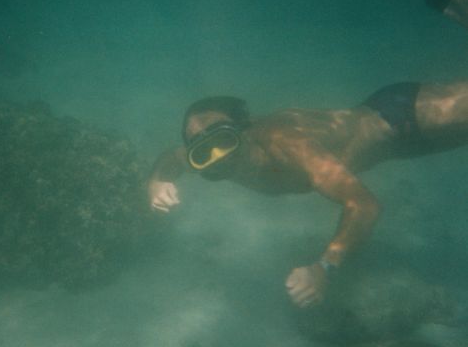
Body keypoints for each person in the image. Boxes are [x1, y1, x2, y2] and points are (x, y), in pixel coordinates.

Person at [147, 81, 468, 308]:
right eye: (204, 151)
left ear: (244, 131)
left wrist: (324, 267)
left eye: (225, 140)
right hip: (404, 144)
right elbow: (171, 158)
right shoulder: (218, 157)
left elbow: (365, 204)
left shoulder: (286, 144)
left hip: (403, 118)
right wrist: (158, 180)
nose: (220, 157)